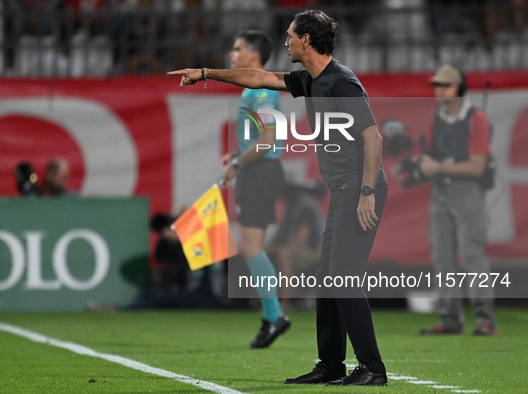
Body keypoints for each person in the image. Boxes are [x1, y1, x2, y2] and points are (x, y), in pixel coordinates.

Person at [169, 9, 389, 386]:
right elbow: (259, 77)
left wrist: (367, 192)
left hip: (360, 189)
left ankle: (372, 368)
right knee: (327, 277)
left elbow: (373, 138)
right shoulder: (310, 78)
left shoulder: (341, 82)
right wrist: (207, 73)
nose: (285, 41)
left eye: (290, 36)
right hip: (342, 190)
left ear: (306, 40)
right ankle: (331, 366)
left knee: (342, 277)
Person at [397, 64, 497, 336]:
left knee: (472, 255)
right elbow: (432, 156)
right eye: (437, 86)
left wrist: (436, 167)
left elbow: (476, 167)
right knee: (443, 258)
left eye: (446, 85)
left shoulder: (476, 119)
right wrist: (414, 164)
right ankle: (450, 320)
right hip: (441, 193)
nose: (439, 91)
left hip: (468, 193)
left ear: (460, 88)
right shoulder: (438, 117)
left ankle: (485, 320)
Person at [224, 29, 290, 349]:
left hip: (260, 173)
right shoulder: (253, 87)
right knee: (251, 247)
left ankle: (274, 315)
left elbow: (267, 142)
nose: (231, 55)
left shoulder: (262, 90)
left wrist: (238, 163)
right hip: (258, 171)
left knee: (250, 246)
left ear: (254, 55)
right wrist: (238, 156)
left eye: (237, 49)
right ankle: (270, 317)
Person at [267, 181, 325, 304]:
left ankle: (285, 301)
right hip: (295, 250)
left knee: (284, 254)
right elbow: (279, 238)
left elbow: (301, 241)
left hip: (314, 252)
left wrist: (278, 249)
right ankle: (260, 302)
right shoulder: (290, 209)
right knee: (258, 255)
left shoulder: (306, 208)